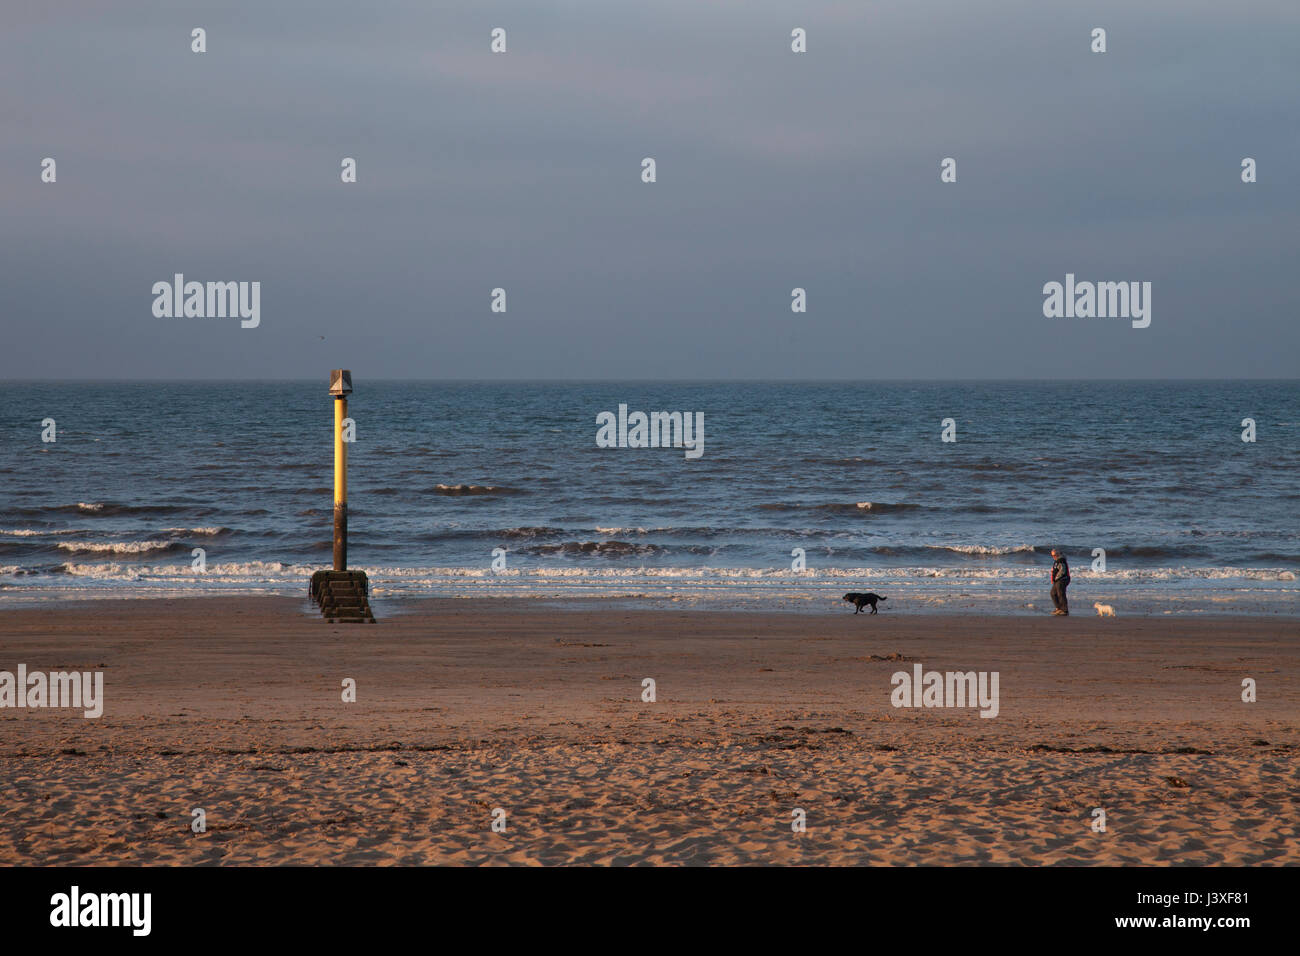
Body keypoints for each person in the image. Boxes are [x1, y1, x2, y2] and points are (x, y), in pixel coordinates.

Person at [1049, 548, 1070, 616]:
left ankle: (1064, 610)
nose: (1053, 557)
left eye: (1054, 555)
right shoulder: (1057, 561)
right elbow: (1055, 570)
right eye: (1052, 555)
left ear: (1058, 554)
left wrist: (1056, 578)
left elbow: (1062, 571)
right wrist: (1053, 578)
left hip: (1062, 579)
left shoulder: (1061, 560)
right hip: (1057, 580)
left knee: (1061, 594)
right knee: (1053, 593)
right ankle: (1058, 608)